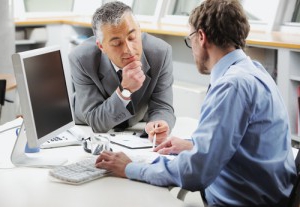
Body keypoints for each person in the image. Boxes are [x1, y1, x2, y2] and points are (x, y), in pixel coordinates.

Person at [95, 0, 297, 206]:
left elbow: (195, 173)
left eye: (190, 39)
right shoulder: (253, 70)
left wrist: (130, 168)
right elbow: (241, 142)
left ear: (201, 37)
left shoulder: (232, 86)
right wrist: (193, 146)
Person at [69, 1, 176, 143]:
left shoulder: (161, 53)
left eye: (132, 37)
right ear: (101, 46)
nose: (129, 49)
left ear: (139, 30)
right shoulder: (81, 58)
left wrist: (160, 124)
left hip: (135, 125)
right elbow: (96, 121)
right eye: (116, 43)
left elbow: (163, 106)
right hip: (86, 125)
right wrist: (125, 90)